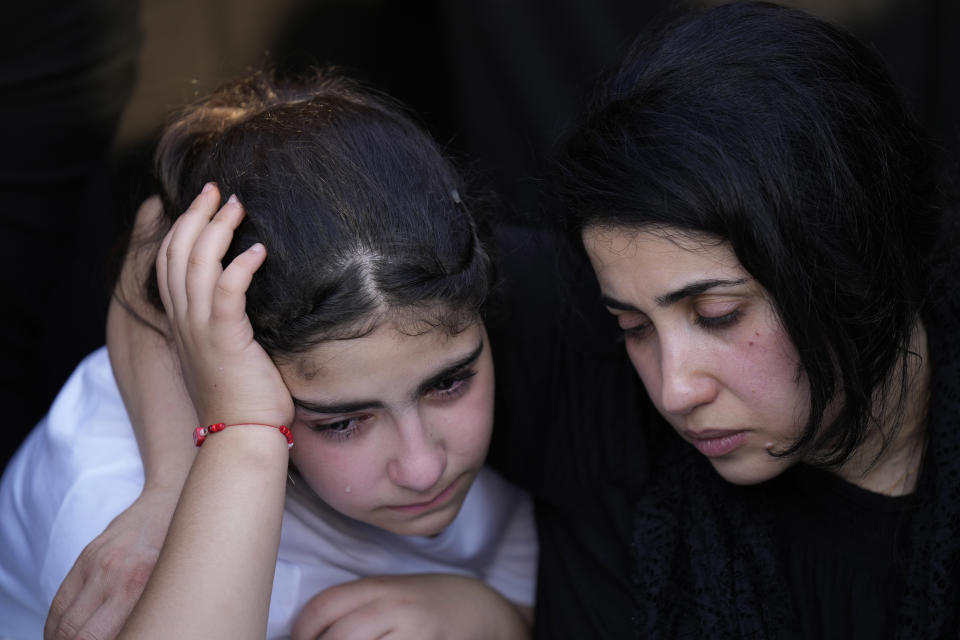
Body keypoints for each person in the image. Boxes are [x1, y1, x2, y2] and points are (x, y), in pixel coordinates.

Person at [0, 68, 536, 639]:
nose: (424, 468)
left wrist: (495, 617)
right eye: (342, 422)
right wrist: (242, 433)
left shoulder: (483, 337)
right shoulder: (105, 513)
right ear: (223, 360)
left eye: (449, 384)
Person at [551, 1, 959, 637]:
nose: (674, 391)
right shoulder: (629, 505)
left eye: (716, 314)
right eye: (634, 327)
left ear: (850, 269)